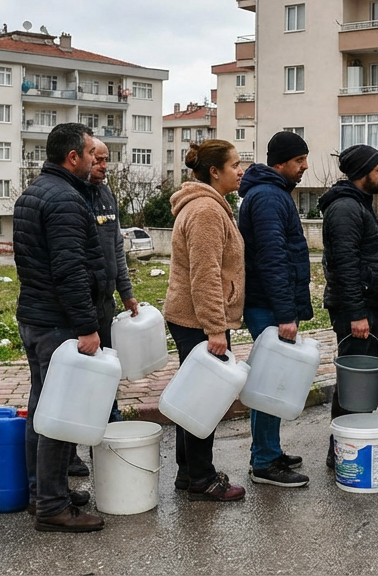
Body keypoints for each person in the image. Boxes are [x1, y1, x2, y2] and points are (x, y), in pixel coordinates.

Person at [13, 122, 108, 533]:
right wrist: (87, 326)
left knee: (40, 408)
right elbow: (69, 270)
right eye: (90, 154)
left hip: (35, 316)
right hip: (57, 322)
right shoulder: (67, 200)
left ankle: (41, 493)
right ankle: (52, 505)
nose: (93, 161)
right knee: (58, 413)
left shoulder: (33, 193)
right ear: (73, 157)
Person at [163, 139, 247, 502]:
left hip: (194, 317)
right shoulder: (206, 211)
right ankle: (201, 477)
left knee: (196, 395)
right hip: (198, 320)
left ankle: (188, 472)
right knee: (204, 400)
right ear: (214, 171)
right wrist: (216, 328)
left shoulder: (211, 206)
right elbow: (205, 274)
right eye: (235, 165)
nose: (241, 171)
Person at [236, 131, 312, 488]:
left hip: (270, 303)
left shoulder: (272, 193)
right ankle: (265, 462)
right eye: (299, 161)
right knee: (270, 382)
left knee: (273, 379)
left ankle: (268, 450)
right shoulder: (267, 197)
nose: (305, 167)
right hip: (267, 305)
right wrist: (285, 314)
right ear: (279, 163)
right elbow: (272, 259)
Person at [66, 137, 139, 477]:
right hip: (75, 306)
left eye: (107, 160)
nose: (103, 166)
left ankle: (108, 441)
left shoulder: (107, 196)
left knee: (105, 375)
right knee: (72, 382)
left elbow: (116, 249)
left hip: (104, 303)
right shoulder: (70, 196)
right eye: (96, 159)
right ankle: (67, 453)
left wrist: (126, 291)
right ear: (80, 159)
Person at [318, 144, 378, 468]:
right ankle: (344, 453)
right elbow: (345, 265)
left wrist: (377, 297)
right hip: (354, 310)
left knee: (358, 383)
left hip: (363, 303)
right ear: (362, 173)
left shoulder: (357, 204)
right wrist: (358, 313)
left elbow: (364, 259)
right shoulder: (346, 208)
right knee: (355, 385)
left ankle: (350, 448)